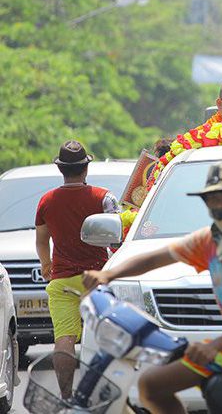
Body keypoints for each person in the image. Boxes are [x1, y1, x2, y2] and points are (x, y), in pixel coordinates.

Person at [83, 160, 222, 414]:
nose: (220, 205)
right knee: (151, 385)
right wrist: (109, 274)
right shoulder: (212, 239)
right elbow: (156, 258)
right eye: (214, 199)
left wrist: (214, 345)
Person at [35, 141, 121, 397]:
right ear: (86, 168)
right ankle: (101, 394)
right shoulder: (104, 197)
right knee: (105, 338)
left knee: (64, 339)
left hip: (61, 281)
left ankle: (66, 397)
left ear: (61, 169)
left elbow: (41, 241)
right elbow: (117, 238)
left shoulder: (46, 201)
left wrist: (46, 264)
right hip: (96, 280)